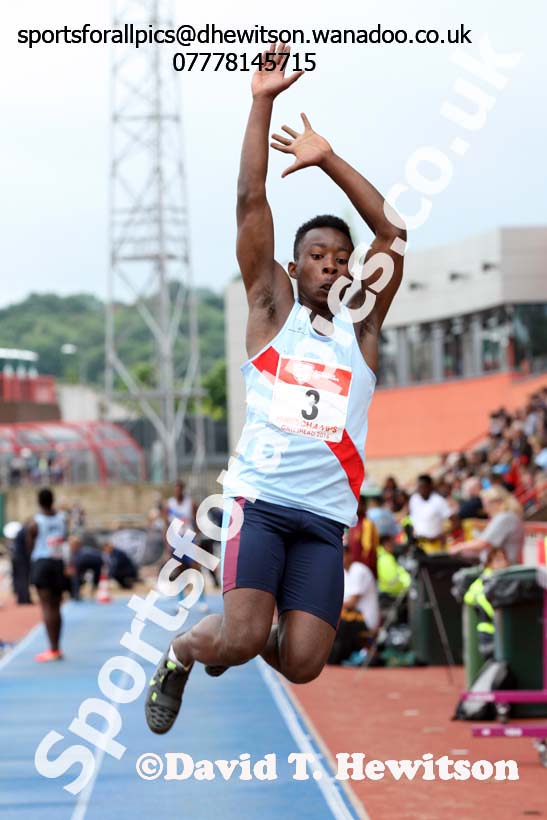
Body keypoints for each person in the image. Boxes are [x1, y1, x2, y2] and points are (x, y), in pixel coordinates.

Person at [145, 42, 405, 734]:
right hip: (259, 504)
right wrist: (261, 103)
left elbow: (392, 231)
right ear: (293, 268)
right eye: (317, 257)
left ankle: (242, 627)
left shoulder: (363, 331)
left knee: (302, 662)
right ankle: (180, 652)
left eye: (341, 259)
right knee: (232, 641)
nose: (332, 266)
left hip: (323, 520)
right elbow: (248, 199)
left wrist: (328, 157)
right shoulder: (270, 314)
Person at [28, 488, 68, 662]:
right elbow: (64, 538)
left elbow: (30, 545)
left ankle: (52, 649)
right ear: (53, 500)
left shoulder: (35, 522)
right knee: (57, 606)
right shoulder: (62, 519)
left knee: (46, 606)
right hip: (57, 563)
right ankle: (57, 648)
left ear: (39, 501)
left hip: (42, 563)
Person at [450, 486, 524, 564]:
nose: (485, 509)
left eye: (486, 504)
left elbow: (483, 543)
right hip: (498, 565)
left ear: (497, 502)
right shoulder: (506, 517)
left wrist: (459, 547)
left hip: (501, 568)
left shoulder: (505, 518)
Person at [463, 547, 509, 659]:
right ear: (489, 564)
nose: (502, 563)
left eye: (503, 559)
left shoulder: (507, 578)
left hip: (502, 631)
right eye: (497, 560)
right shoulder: (485, 580)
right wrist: (496, 616)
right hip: (488, 631)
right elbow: (471, 598)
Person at [408, 474, 454, 553]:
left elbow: (455, 521)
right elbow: (413, 518)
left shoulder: (438, 501)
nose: (420, 490)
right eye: (419, 487)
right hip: (418, 543)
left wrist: (441, 535)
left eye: (423, 487)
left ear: (430, 487)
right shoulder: (414, 499)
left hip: (435, 544)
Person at [346, 495, 379, 577]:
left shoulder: (367, 524)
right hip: (353, 569)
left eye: (358, 504)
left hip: (363, 570)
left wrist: (365, 569)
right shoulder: (352, 524)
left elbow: (369, 549)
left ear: (364, 506)